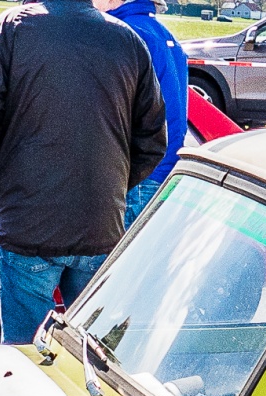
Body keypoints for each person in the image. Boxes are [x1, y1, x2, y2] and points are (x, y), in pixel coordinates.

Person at [0, 0, 167, 344]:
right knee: (93, 355)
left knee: (26, 357)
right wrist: (109, 190)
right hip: (96, 223)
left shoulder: (13, 29)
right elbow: (153, 138)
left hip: (31, 225)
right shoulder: (126, 40)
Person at [93, 0, 188, 228]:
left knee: (114, 260)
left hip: (135, 175)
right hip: (163, 169)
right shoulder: (164, 35)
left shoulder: (123, 33)